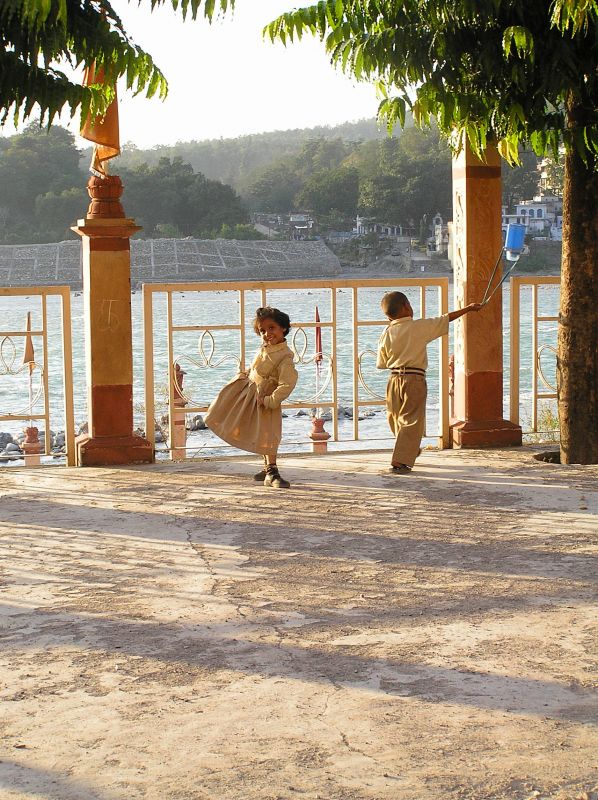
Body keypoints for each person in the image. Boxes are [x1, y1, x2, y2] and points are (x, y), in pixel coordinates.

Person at [377, 291, 482, 474]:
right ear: (406, 307)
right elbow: (445, 318)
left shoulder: (386, 333)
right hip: (414, 378)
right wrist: (468, 308)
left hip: (393, 379)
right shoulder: (419, 327)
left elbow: (382, 363)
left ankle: (405, 454)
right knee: (411, 419)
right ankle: (403, 456)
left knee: (394, 417)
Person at [204, 306, 298, 488]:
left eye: (272, 328)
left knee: (269, 434)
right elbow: (257, 366)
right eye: (262, 331)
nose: (267, 334)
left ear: (283, 328)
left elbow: (287, 384)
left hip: (266, 400)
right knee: (258, 431)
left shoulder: (285, 356)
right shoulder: (265, 348)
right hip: (252, 393)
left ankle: (272, 472)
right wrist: (246, 374)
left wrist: (270, 401)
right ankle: (266, 467)